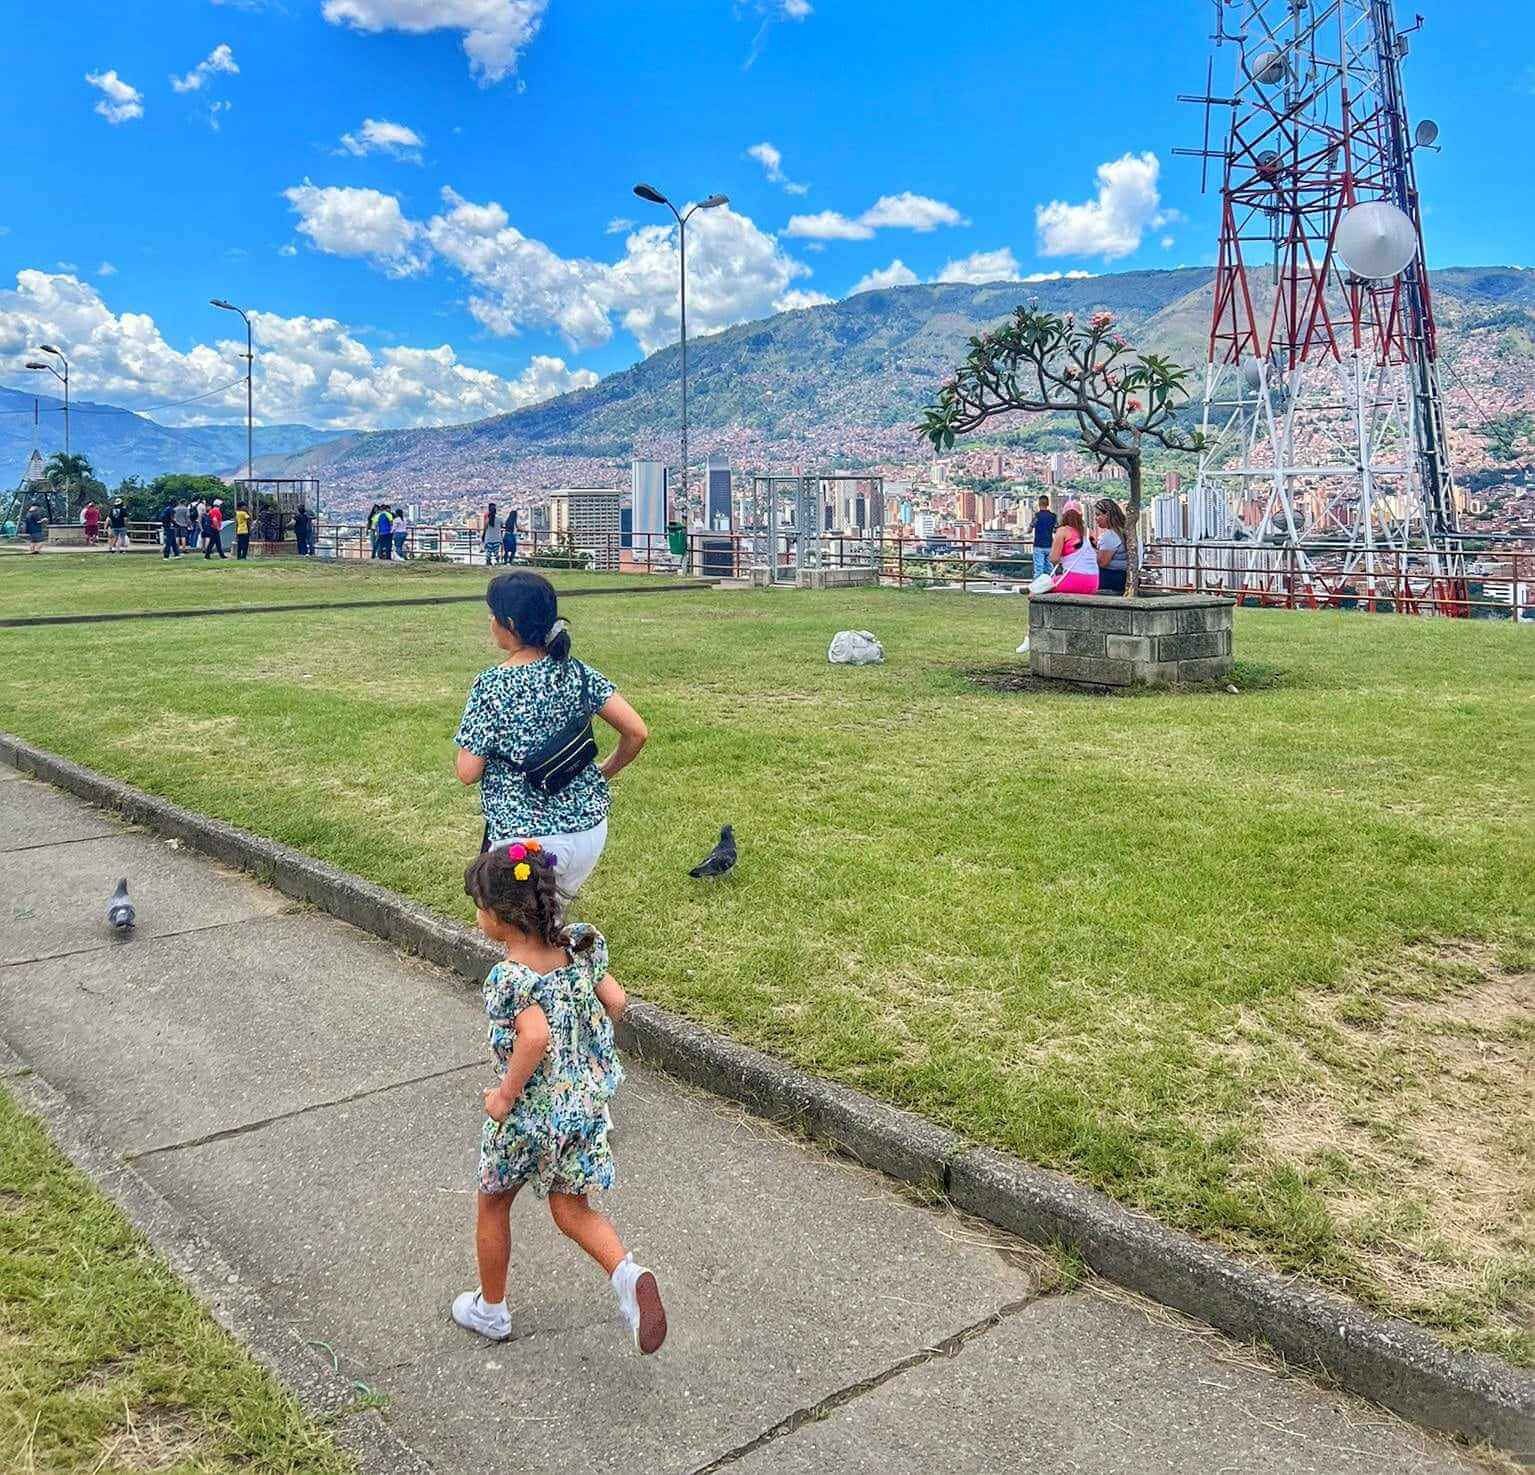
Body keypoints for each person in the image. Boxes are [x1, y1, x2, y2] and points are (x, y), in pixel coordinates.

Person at [451, 847, 666, 1352]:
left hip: (528, 1114)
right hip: (585, 1109)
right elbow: (616, 1001)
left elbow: (534, 1036)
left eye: (479, 907)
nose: (476, 916)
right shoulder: (581, 945)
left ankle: (492, 1310)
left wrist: (505, 1097)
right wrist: (585, 1056)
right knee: (572, 1207)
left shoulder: (509, 978)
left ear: (502, 917)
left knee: (493, 1200)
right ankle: (628, 1276)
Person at [454, 571, 648, 900]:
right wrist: (605, 772)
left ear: (509, 624)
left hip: (526, 844)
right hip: (588, 830)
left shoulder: (491, 685)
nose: (490, 621)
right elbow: (637, 732)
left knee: (511, 931)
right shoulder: (578, 672)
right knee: (549, 923)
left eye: (493, 614)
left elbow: (467, 772)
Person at [1046, 505, 1100, 595]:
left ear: (1063, 516)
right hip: (1093, 582)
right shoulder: (1089, 532)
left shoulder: (1062, 531)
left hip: (1073, 580)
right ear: (1081, 516)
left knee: (1040, 588)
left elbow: (1054, 558)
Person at [1093, 498, 1129, 595]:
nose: (1096, 518)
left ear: (1107, 515)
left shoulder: (1110, 536)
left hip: (1112, 579)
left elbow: (1102, 563)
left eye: (1098, 515)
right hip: (1125, 577)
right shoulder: (1127, 532)